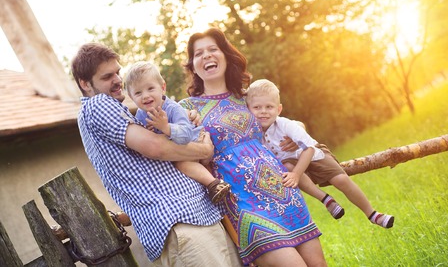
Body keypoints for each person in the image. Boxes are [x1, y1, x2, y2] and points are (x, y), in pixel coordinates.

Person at [70, 43, 243, 266]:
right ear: (85, 84)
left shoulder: (120, 111)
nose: (117, 80)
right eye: (107, 76)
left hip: (195, 218)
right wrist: (203, 149)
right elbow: (156, 148)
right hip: (180, 223)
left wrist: (184, 121)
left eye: (117, 72)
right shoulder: (98, 104)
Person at [179, 28, 327, 267]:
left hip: (282, 189)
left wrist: (296, 128)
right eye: (199, 53)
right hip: (243, 203)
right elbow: (182, 154)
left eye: (213, 49)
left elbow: (284, 123)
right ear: (193, 66)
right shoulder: (187, 108)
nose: (206, 56)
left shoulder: (246, 96)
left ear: (226, 56)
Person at [246, 78, 395, 229]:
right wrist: (295, 173)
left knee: (341, 180)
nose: (263, 111)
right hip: (292, 166)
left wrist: (297, 174)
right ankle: (325, 199)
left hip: (313, 154)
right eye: (257, 107)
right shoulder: (252, 135)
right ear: (248, 109)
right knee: (287, 167)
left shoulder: (285, 125)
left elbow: (309, 149)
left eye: (269, 107)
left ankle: (373, 214)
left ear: (278, 109)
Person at [124, 61, 231, 204]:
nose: (145, 96)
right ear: (131, 97)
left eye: (150, 88)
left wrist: (166, 127)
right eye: (138, 92)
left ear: (162, 88)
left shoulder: (173, 108)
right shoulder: (140, 115)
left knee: (181, 164)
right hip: (177, 149)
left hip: (195, 140)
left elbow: (186, 134)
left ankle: (214, 184)